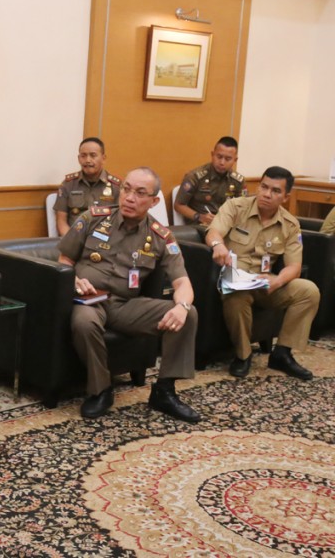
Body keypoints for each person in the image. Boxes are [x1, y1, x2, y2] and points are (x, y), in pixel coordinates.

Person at [58, 167, 201, 422]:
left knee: (189, 314)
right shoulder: (94, 218)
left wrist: (181, 307)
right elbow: (64, 260)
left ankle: (164, 390)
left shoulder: (160, 236)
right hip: (90, 300)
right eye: (126, 189)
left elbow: (183, 283)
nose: (130, 198)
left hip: (125, 305)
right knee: (84, 323)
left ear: (154, 201)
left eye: (140, 193)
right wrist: (74, 281)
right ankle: (101, 389)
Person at [205, 166, 320, 380]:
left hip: (265, 283)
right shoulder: (236, 207)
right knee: (235, 295)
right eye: (264, 187)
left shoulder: (290, 224)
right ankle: (243, 355)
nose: (267, 194)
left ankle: (282, 353)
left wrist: (277, 280)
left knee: (309, 291)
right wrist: (217, 245)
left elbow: (294, 266)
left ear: (286, 197)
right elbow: (214, 231)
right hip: (235, 281)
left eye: (275, 191)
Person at [53, 137, 121, 236]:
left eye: (93, 155)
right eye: (83, 156)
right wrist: (71, 241)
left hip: (104, 239)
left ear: (103, 158)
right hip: (74, 238)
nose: (88, 160)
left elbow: (121, 221)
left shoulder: (116, 187)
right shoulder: (68, 185)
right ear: (78, 158)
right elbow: (61, 221)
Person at [174, 136, 245, 226]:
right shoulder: (195, 177)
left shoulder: (238, 181)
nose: (222, 162)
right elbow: (179, 205)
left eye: (228, 159)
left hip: (226, 224)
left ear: (235, 160)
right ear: (212, 154)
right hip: (200, 224)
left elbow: (242, 207)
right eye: (219, 157)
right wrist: (199, 217)